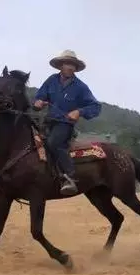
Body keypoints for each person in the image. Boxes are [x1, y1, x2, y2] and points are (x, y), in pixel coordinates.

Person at [33, 50, 102, 195]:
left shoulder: (80, 87)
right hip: (48, 122)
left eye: (72, 65)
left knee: (53, 143)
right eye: (66, 64)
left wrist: (79, 112)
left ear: (76, 68)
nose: (70, 67)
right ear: (61, 66)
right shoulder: (51, 80)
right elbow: (39, 97)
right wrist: (37, 102)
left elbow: (95, 106)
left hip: (65, 124)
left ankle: (70, 177)